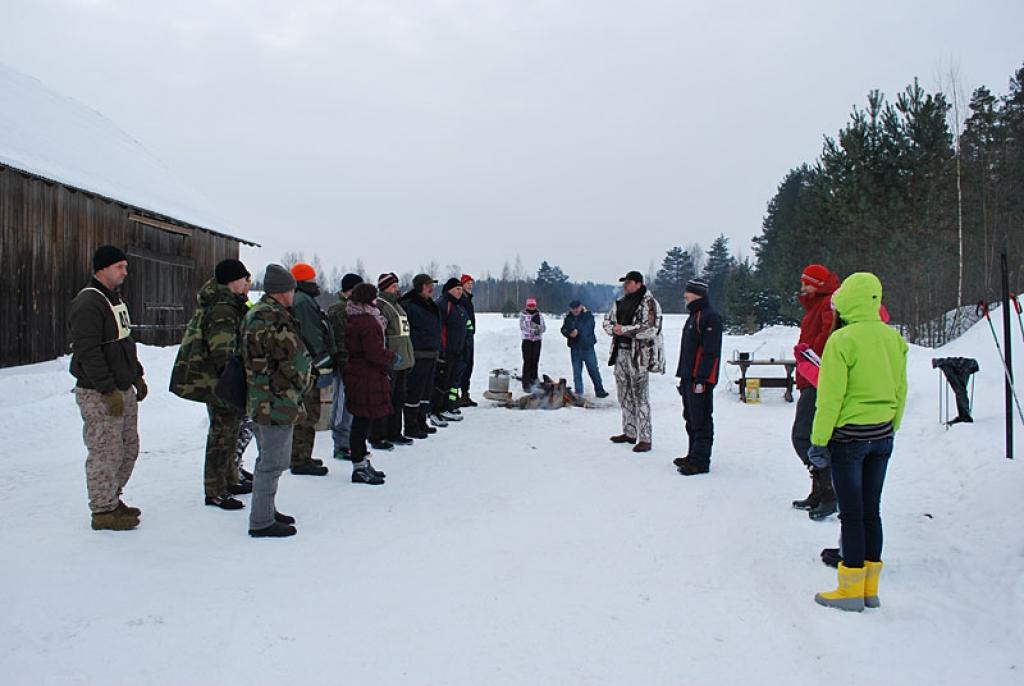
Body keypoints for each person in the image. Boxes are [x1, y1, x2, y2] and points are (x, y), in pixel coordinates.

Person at [811, 273, 907, 612]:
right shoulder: (892, 338)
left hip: (849, 440)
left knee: (851, 515)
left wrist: (819, 440)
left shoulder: (842, 340)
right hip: (882, 436)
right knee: (871, 510)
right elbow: (900, 388)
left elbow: (830, 397)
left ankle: (850, 589)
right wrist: (892, 425)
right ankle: (869, 588)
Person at [69, 245, 147, 531]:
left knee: (129, 447)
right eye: (120, 267)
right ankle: (102, 511)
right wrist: (106, 388)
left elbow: (125, 341)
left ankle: (113, 499)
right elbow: (87, 351)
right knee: (106, 450)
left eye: (125, 267)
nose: (125, 272)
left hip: (122, 387)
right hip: (100, 392)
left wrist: (136, 375)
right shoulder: (89, 303)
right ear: (102, 268)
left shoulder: (113, 299)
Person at [170, 258, 253, 510]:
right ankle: (215, 491)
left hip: (224, 382)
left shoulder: (229, 305)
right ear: (232, 281)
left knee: (230, 433)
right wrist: (235, 380)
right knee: (221, 436)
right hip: (221, 383)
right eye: (244, 278)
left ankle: (229, 479)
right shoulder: (222, 309)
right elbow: (223, 353)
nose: (247, 283)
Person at [241, 264, 310, 538]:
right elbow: (290, 361)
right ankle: (261, 520)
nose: (294, 294)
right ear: (283, 291)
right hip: (276, 400)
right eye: (292, 289)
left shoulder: (257, 313)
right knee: (272, 462)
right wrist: (304, 380)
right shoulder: (273, 318)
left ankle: (266, 510)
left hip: (263, 398)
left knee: (269, 460)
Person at [791, 264, 840, 519]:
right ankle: (819, 490)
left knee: (804, 436)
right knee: (809, 437)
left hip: (817, 378)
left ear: (818, 284)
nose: (803, 288)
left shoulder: (829, 304)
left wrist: (808, 354)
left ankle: (829, 491)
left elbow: (827, 339)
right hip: (809, 377)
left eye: (806, 283)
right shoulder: (817, 305)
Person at [603, 271, 664, 453]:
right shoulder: (620, 303)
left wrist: (625, 330)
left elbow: (651, 328)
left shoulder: (649, 303)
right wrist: (614, 329)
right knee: (624, 394)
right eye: (624, 283)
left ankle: (645, 437)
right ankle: (629, 432)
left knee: (640, 396)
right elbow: (607, 322)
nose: (625, 286)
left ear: (638, 284)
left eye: (629, 282)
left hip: (639, 356)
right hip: (620, 353)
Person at [343, 283, 397, 485]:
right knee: (361, 422)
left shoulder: (356, 318)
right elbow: (373, 352)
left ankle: (362, 462)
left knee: (362, 421)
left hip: (360, 375)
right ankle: (359, 466)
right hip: (365, 375)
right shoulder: (366, 321)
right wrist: (391, 357)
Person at [287, 263, 334, 476]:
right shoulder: (303, 302)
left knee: (310, 412)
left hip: (307, 364)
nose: (316, 284)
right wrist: (323, 361)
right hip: (309, 365)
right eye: (313, 280)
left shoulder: (302, 300)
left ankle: (303, 455)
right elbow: (311, 333)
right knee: (308, 412)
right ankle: (299, 459)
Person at [673, 278, 722, 475]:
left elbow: (711, 352)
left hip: (700, 379)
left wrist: (701, 378)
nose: (685, 295)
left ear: (698, 294)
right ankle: (692, 454)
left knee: (701, 419)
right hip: (688, 377)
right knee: (690, 418)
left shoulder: (709, 317)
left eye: (688, 292)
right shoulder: (694, 316)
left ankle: (701, 461)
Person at [369, 272, 415, 447]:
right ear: (385, 288)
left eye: (397, 285)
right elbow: (380, 334)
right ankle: (377, 435)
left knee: (398, 399)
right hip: (390, 360)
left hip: (402, 359)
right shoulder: (381, 305)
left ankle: (394, 432)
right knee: (385, 400)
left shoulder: (398, 306)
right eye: (394, 286)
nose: (398, 289)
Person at [400, 274, 442, 438]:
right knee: (414, 391)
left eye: (432, 285)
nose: (431, 288)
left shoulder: (431, 305)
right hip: (417, 354)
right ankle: (411, 425)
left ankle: (421, 420)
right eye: (428, 285)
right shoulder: (409, 305)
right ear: (420, 286)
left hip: (431, 354)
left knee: (426, 391)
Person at [327, 273, 362, 460]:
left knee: (353, 406)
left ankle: (350, 442)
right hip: (344, 365)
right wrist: (343, 361)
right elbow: (338, 340)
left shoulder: (358, 309)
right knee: (342, 405)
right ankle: (340, 444)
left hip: (356, 365)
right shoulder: (339, 310)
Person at [431, 278, 468, 424]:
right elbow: (439, 329)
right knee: (441, 382)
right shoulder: (443, 304)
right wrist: (441, 350)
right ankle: (435, 411)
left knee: (451, 381)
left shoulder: (459, 306)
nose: (460, 292)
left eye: (460, 289)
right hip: (445, 352)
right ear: (449, 290)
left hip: (457, 351)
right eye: (457, 289)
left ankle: (447, 407)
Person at [560, 299, 608, 398]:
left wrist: (578, 332)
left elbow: (589, 327)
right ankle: (579, 393)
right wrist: (569, 333)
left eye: (577, 308)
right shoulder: (568, 318)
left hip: (588, 348)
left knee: (593, 370)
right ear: (570, 309)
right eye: (573, 309)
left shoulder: (588, 316)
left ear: (581, 306)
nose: (575, 310)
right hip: (575, 349)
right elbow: (563, 329)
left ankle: (600, 390)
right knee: (577, 372)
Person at [458, 274, 478, 407]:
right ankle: (456, 396)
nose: (470, 285)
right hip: (462, 338)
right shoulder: (461, 300)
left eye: (471, 283)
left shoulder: (468, 299)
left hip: (469, 337)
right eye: (467, 283)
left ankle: (465, 393)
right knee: (462, 366)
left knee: (469, 365)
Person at [519, 298, 545, 391]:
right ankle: (526, 383)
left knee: (535, 361)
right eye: (530, 306)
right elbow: (522, 327)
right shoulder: (523, 315)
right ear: (527, 306)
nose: (531, 307)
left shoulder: (539, 315)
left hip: (537, 341)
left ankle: (534, 381)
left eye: (533, 305)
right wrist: (532, 331)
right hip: (527, 340)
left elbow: (543, 327)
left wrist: (539, 330)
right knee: (527, 361)